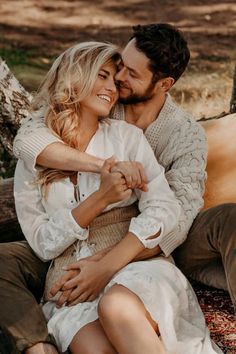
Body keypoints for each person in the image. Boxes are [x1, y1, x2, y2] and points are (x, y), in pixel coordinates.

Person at [13, 40, 221, 354]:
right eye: (104, 75)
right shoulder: (37, 151)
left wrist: (107, 264)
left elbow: (165, 209)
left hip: (135, 269)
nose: (114, 85)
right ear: (75, 78)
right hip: (69, 283)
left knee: (117, 308)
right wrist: (101, 197)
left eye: (117, 76)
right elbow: (43, 243)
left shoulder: (126, 137)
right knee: (93, 348)